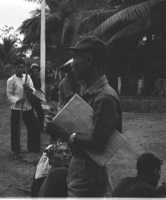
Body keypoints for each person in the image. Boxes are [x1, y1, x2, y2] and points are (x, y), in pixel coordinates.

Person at [45, 36, 122, 197]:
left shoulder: (104, 97)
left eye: (75, 57)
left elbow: (98, 143)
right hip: (82, 167)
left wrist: (62, 132)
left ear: (88, 60)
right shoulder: (91, 92)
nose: (72, 63)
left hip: (89, 172)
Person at [6, 58, 41, 155]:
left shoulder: (27, 77)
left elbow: (33, 90)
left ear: (24, 68)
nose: (20, 69)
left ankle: (33, 148)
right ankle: (16, 149)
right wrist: (17, 100)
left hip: (28, 107)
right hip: (17, 109)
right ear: (15, 68)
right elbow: (9, 94)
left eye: (22, 67)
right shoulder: (11, 80)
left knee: (34, 127)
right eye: (18, 67)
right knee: (15, 130)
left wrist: (28, 88)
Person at [29, 63, 45, 131]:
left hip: (37, 97)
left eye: (36, 69)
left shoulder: (38, 78)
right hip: (30, 97)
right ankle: (32, 126)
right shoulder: (29, 78)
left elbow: (38, 88)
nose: (35, 70)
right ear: (31, 70)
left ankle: (40, 127)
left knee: (40, 113)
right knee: (30, 112)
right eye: (34, 69)